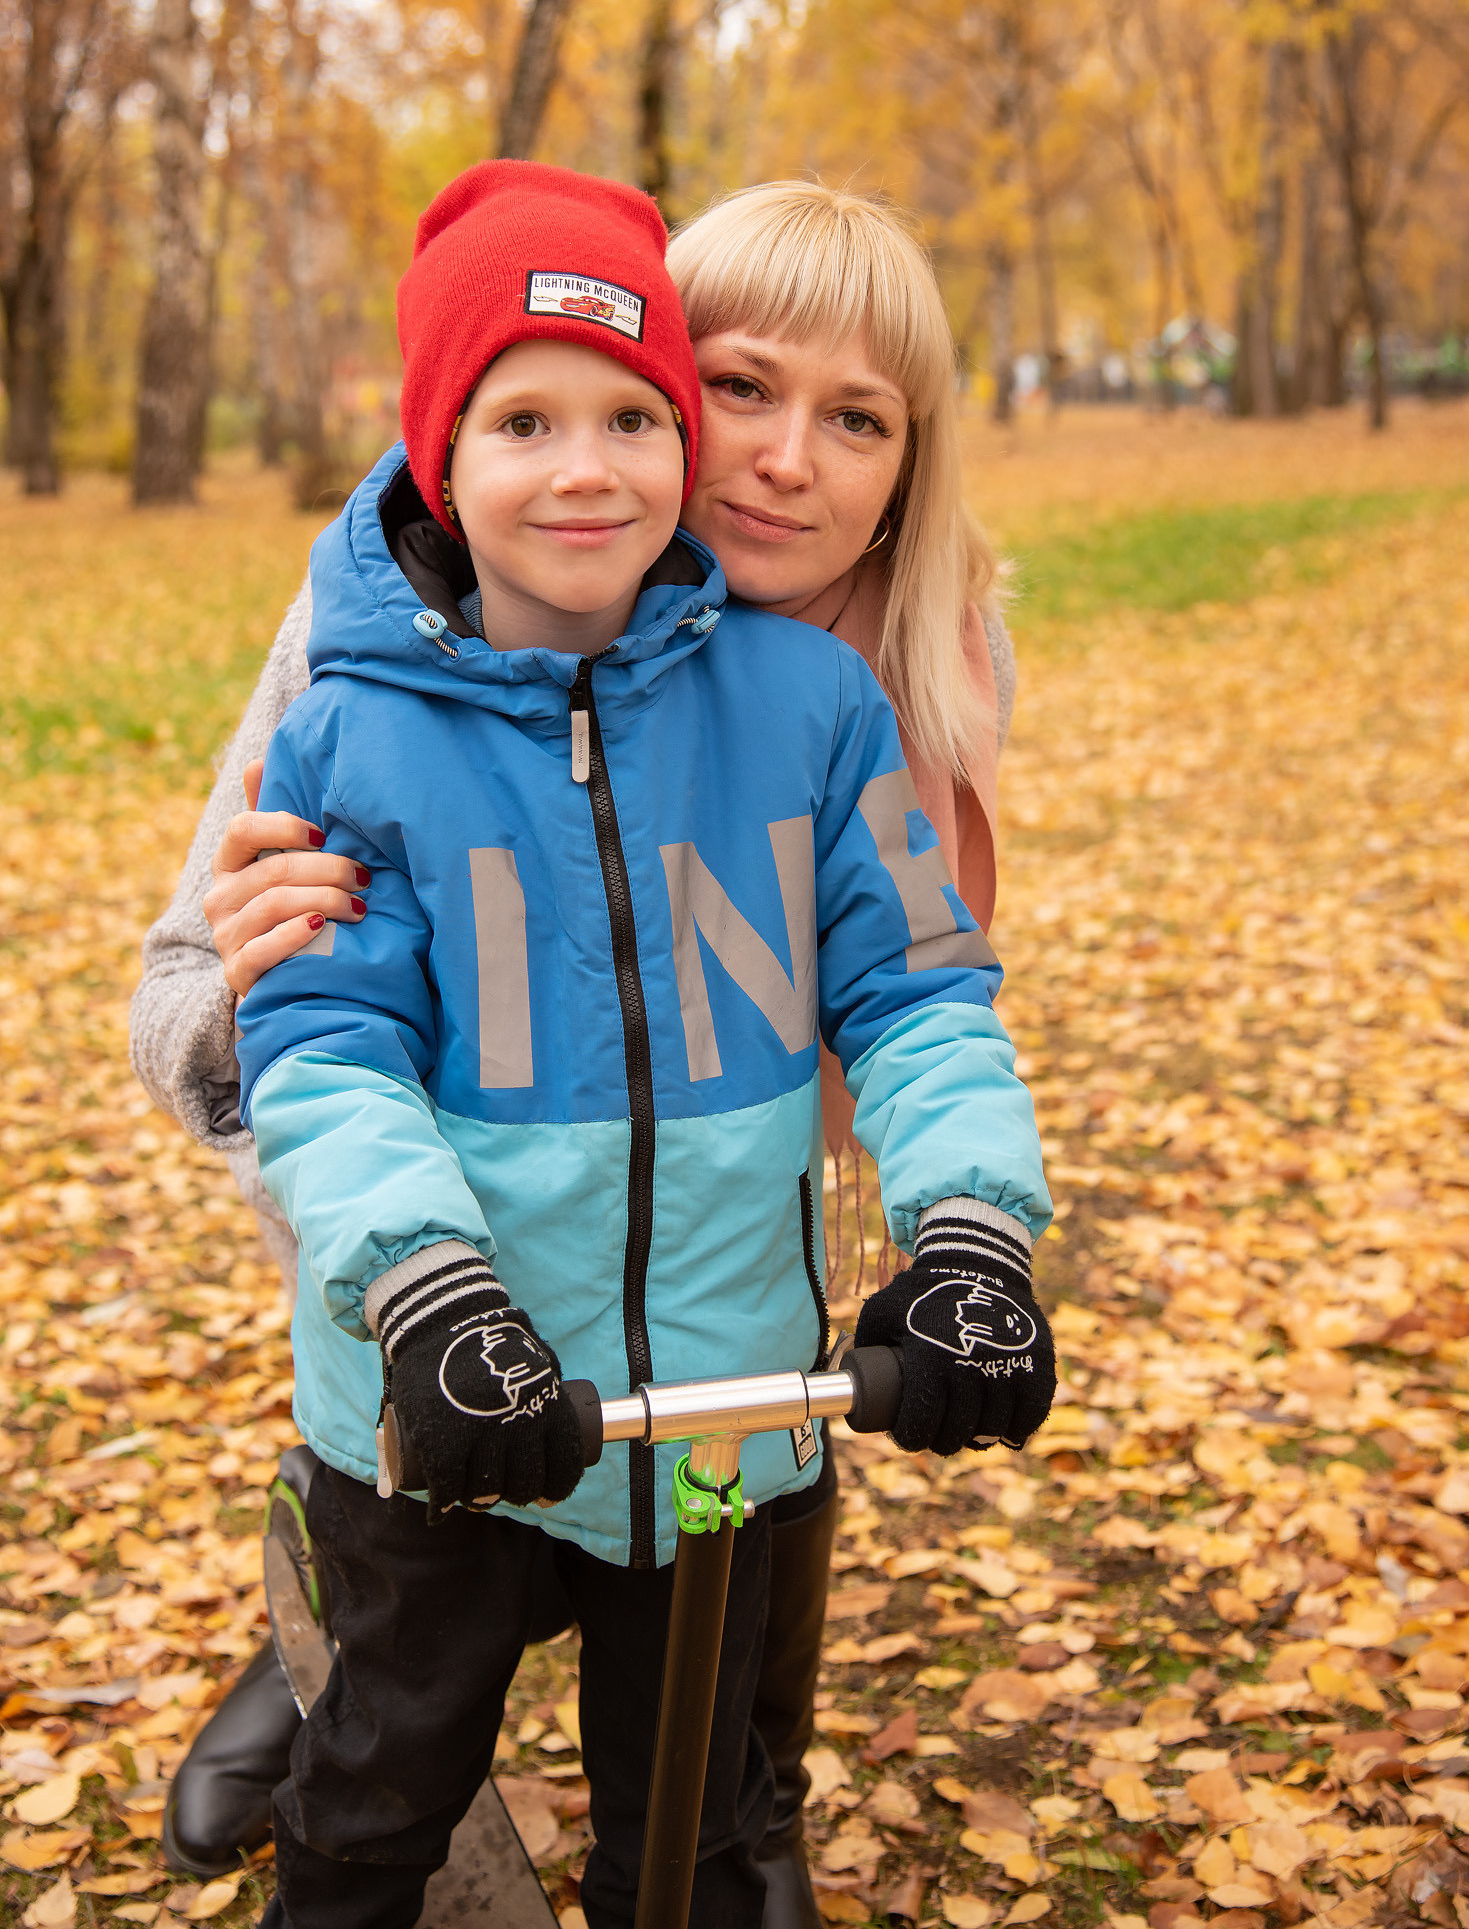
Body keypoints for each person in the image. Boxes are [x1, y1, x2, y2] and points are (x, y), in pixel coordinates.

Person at [130, 180, 1019, 1927]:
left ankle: (730, 1825)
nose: (782, 460)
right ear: (448, 458)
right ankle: (315, 1659)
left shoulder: (867, 687)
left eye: (857, 420)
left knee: (698, 1742)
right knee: (398, 1706)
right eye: (743, 389)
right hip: (428, 1298)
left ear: (908, 467)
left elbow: (922, 998)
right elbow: (273, 1042)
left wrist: (970, 1228)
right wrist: (419, 1285)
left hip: (725, 1321)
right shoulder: (362, 689)